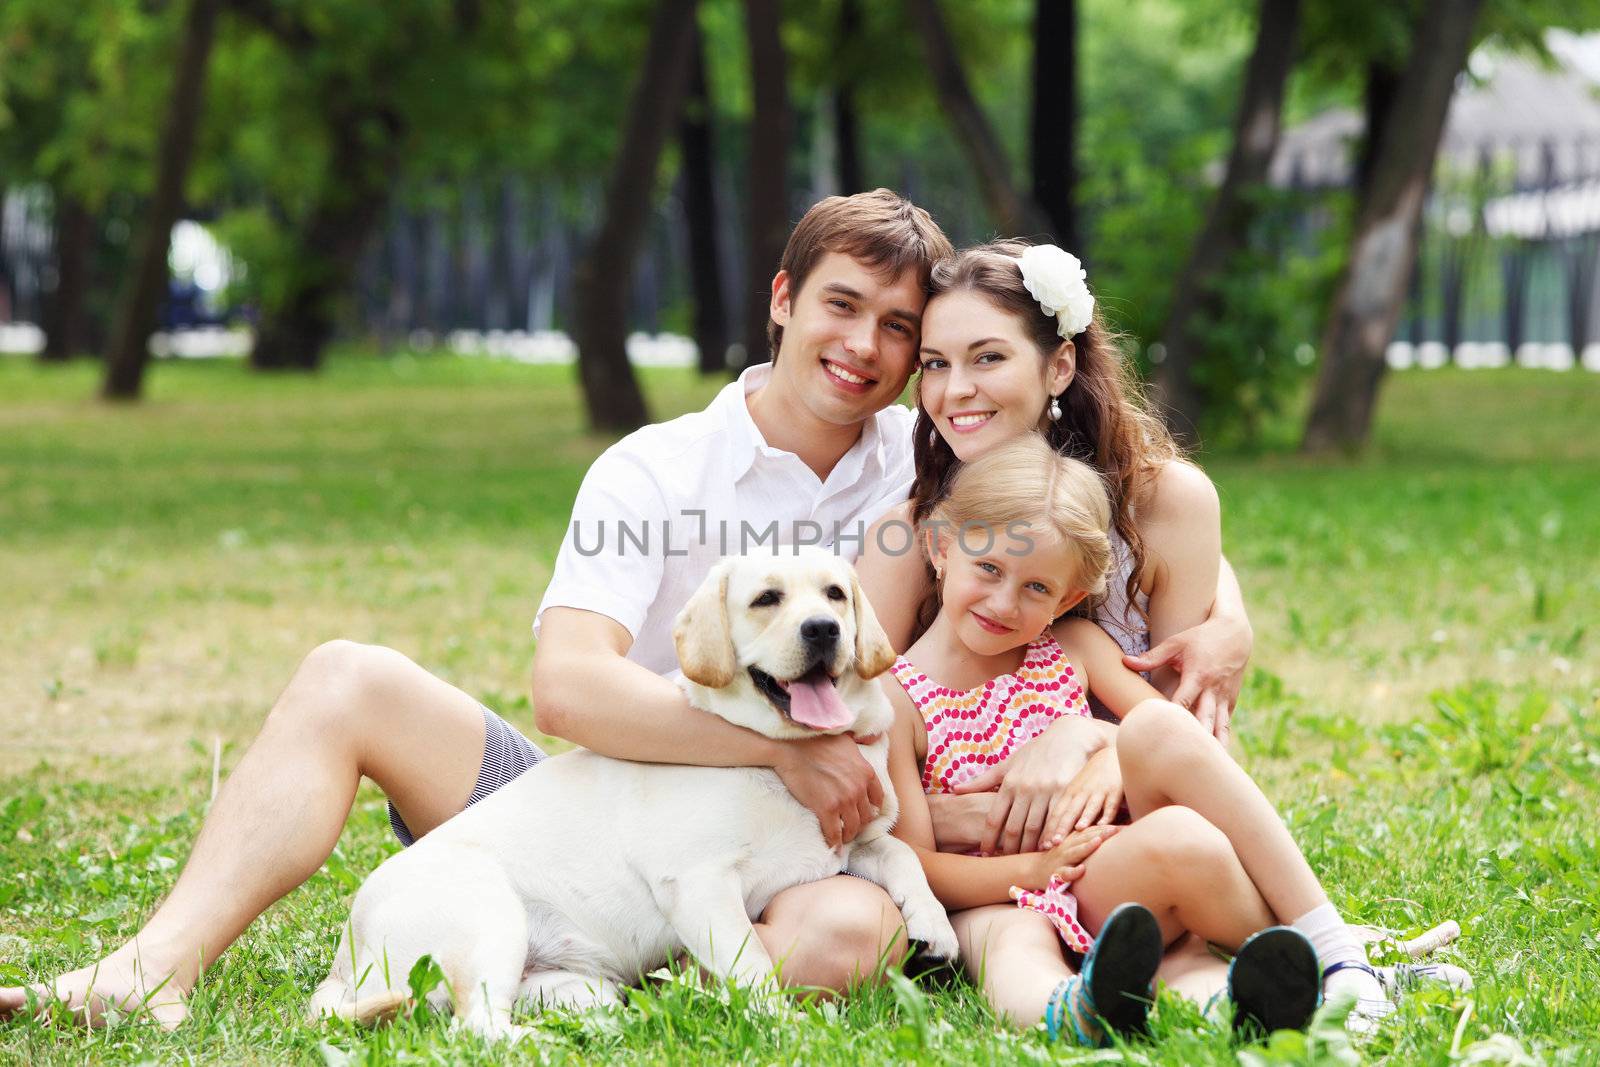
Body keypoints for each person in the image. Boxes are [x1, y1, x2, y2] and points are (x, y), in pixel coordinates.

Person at [0, 189, 954, 1027]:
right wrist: (787, 744)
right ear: (783, 301)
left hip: (798, 847)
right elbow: (569, 687)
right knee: (349, 676)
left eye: (899, 325)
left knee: (853, 935)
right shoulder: (657, 469)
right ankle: (152, 969)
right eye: (841, 303)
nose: (864, 344)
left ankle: (620, 974)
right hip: (579, 814)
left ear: (922, 350)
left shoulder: (928, 472)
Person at [883, 435, 1386, 1041]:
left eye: (1037, 588)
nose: (1004, 601)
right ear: (941, 547)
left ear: (1069, 597)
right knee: (1014, 943)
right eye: (987, 568)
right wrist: (1036, 869)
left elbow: (1174, 741)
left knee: (1181, 832)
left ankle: (1309, 969)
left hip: (1107, 877)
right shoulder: (895, 698)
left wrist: (1105, 744)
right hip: (991, 898)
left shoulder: (1071, 649)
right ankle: (1074, 1007)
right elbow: (913, 864)